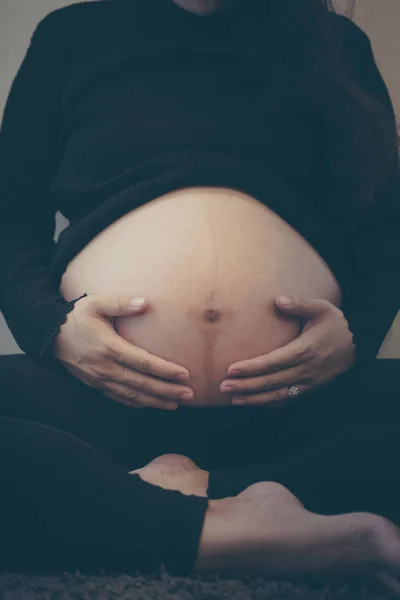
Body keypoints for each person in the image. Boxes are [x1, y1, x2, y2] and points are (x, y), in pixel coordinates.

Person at [0, 0, 399, 592]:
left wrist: (356, 334)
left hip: (291, 410)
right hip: (96, 402)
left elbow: (384, 227)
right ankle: (243, 527)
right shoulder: (72, 36)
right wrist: (52, 330)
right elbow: (11, 214)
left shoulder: (338, 46)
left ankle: (163, 497)